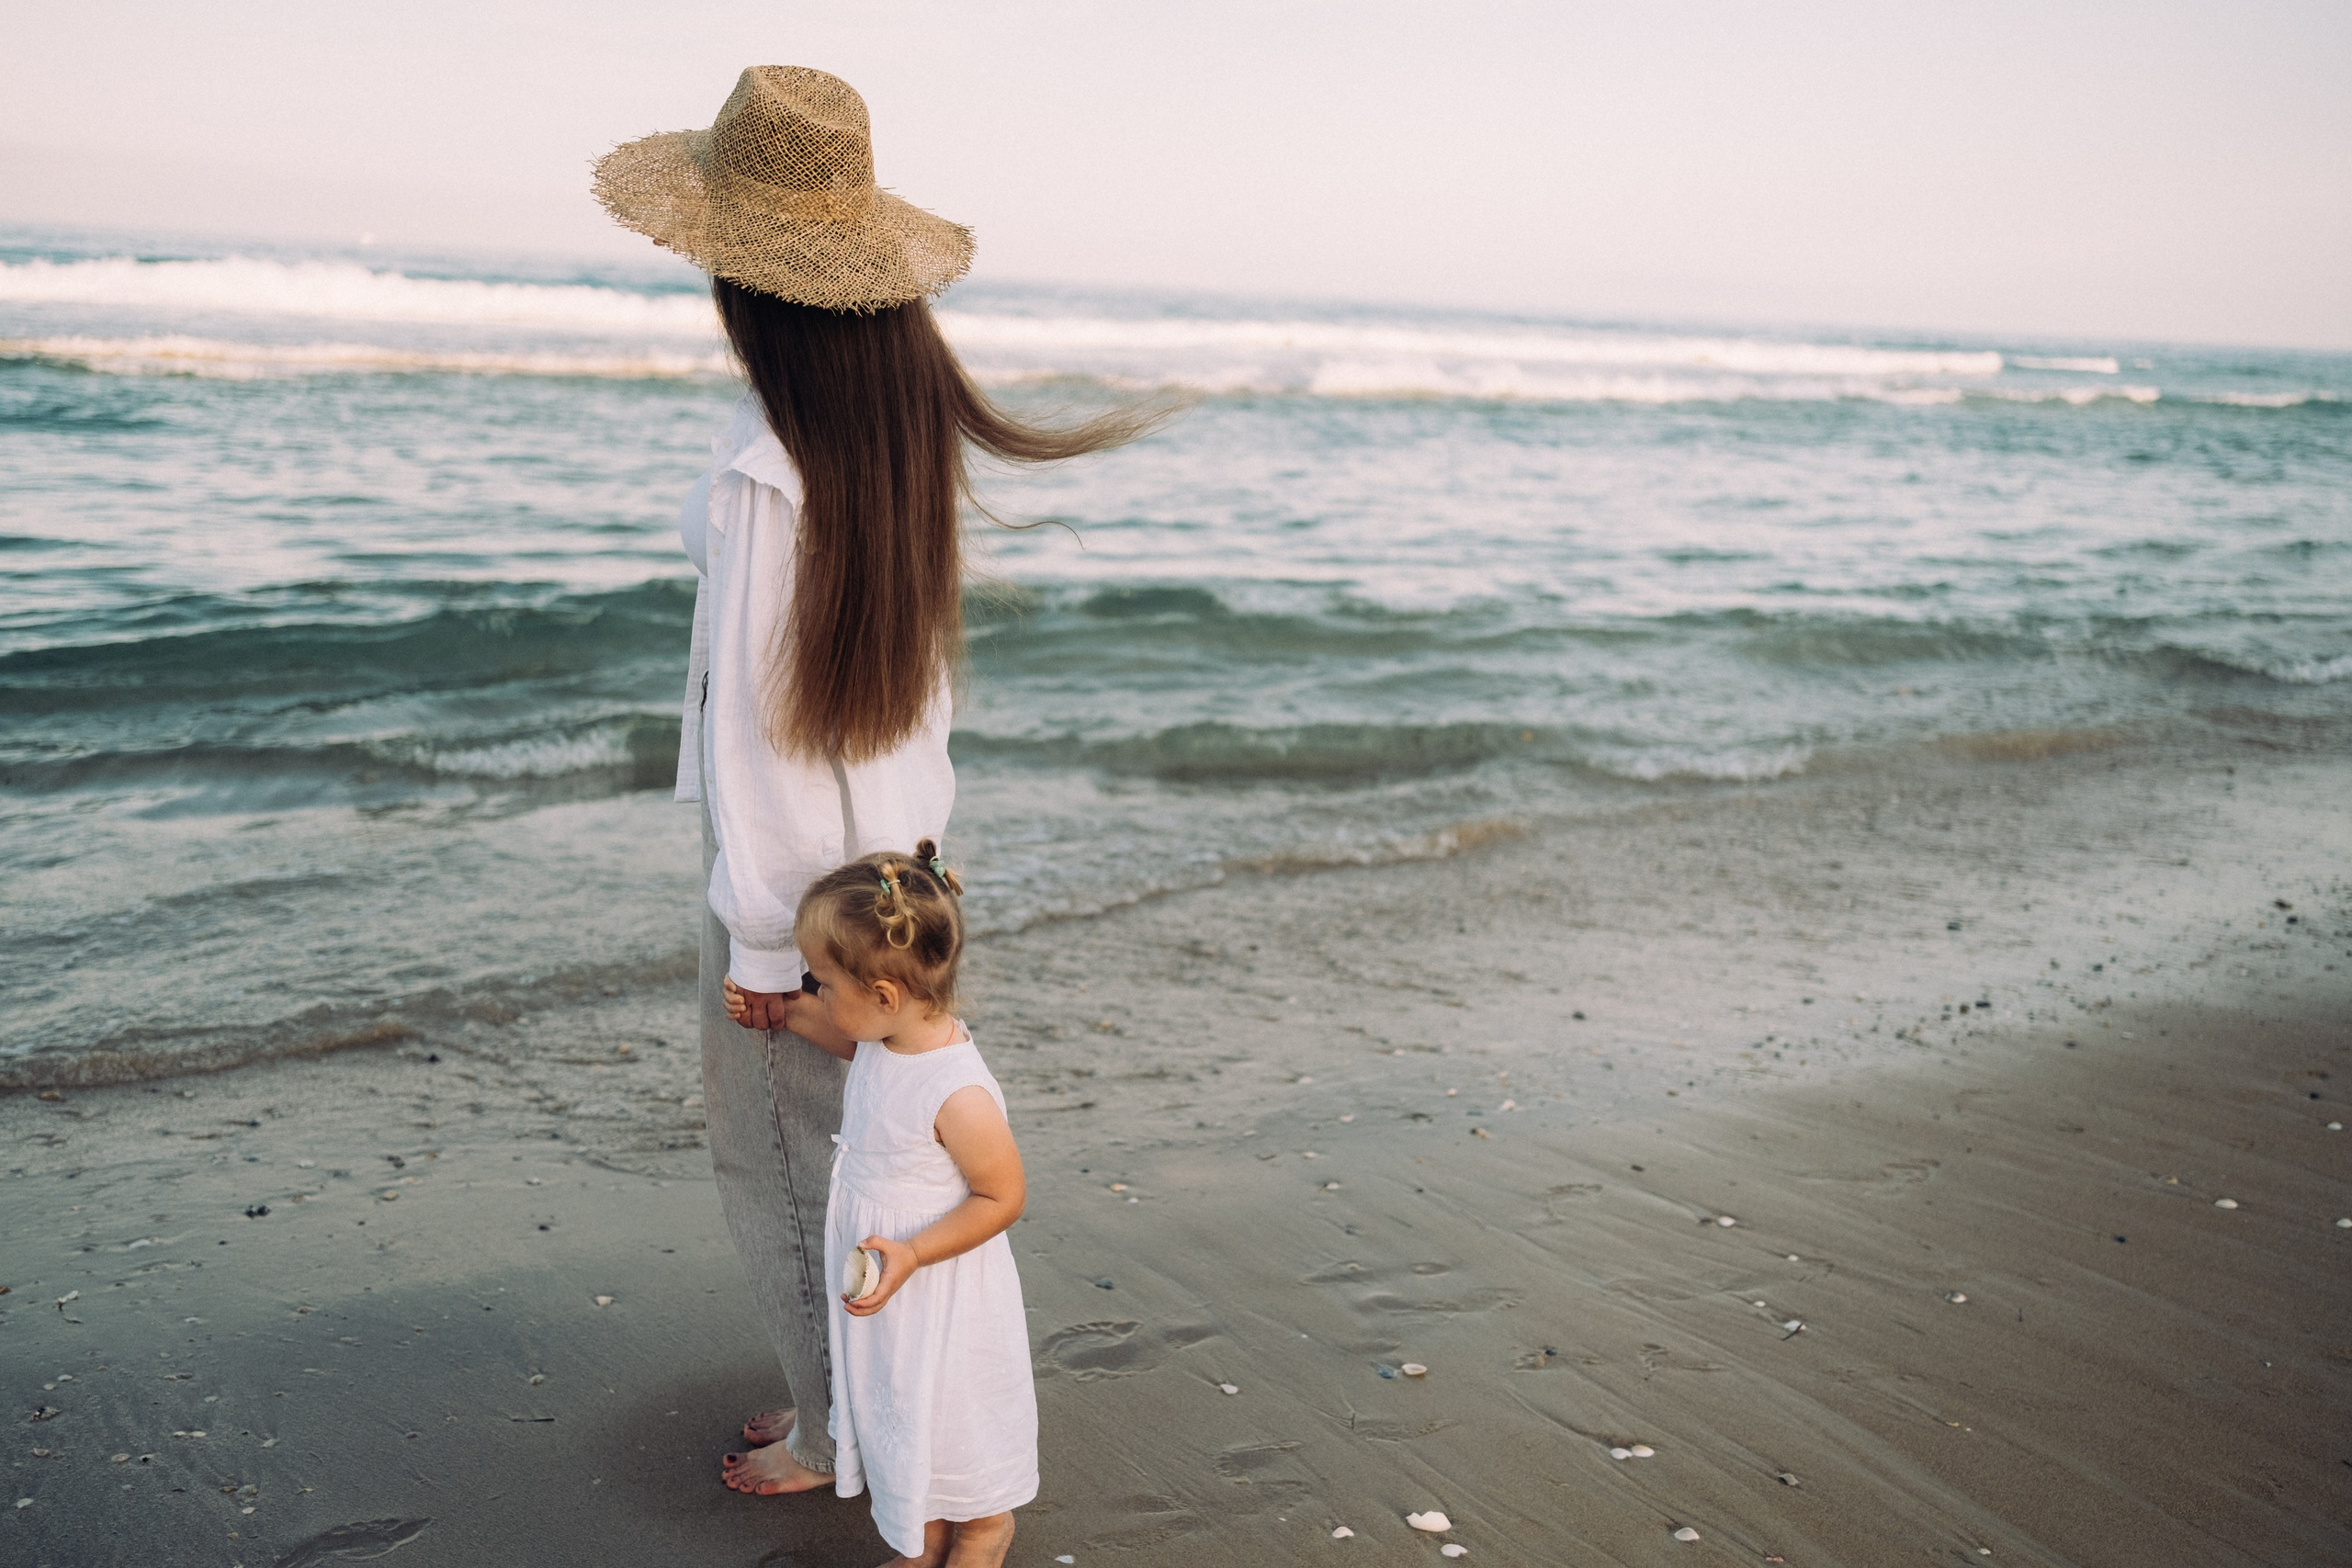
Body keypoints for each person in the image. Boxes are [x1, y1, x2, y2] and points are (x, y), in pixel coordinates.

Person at [590, 66, 1157, 1497]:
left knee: (784, 1179)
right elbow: (902, 714)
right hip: (888, 889)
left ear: (749, 287)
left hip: (802, 909)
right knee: (869, 1169)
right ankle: (891, 1406)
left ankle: (842, 1431)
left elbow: (765, 750)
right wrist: (899, 907)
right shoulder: (885, 450)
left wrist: (786, 961)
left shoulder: (770, 475)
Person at [721, 841, 1032, 1568]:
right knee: (897, 1403)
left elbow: (1004, 1192)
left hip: (938, 1286)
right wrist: (788, 1011)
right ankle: (921, 1537)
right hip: (889, 1279)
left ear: (884, 995)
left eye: (821, 982)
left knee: (954, 1407)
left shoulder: (958, 1090)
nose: (819, 992)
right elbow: (855, 1044)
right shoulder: (893, 1036)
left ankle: (985, 1530)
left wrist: (916, 1251)